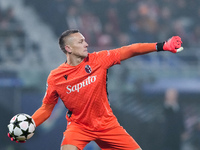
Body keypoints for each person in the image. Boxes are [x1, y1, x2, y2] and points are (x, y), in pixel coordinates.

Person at [8, 29, 183, 150]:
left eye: (85, 40)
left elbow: (130, 50)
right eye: (81, 41)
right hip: (79, 127)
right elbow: (46, 108)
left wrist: (162, 46)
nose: (86, 44)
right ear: (68, 48)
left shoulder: (98, 60)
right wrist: (29, 125)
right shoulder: (55, 77)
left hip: (107, 124)